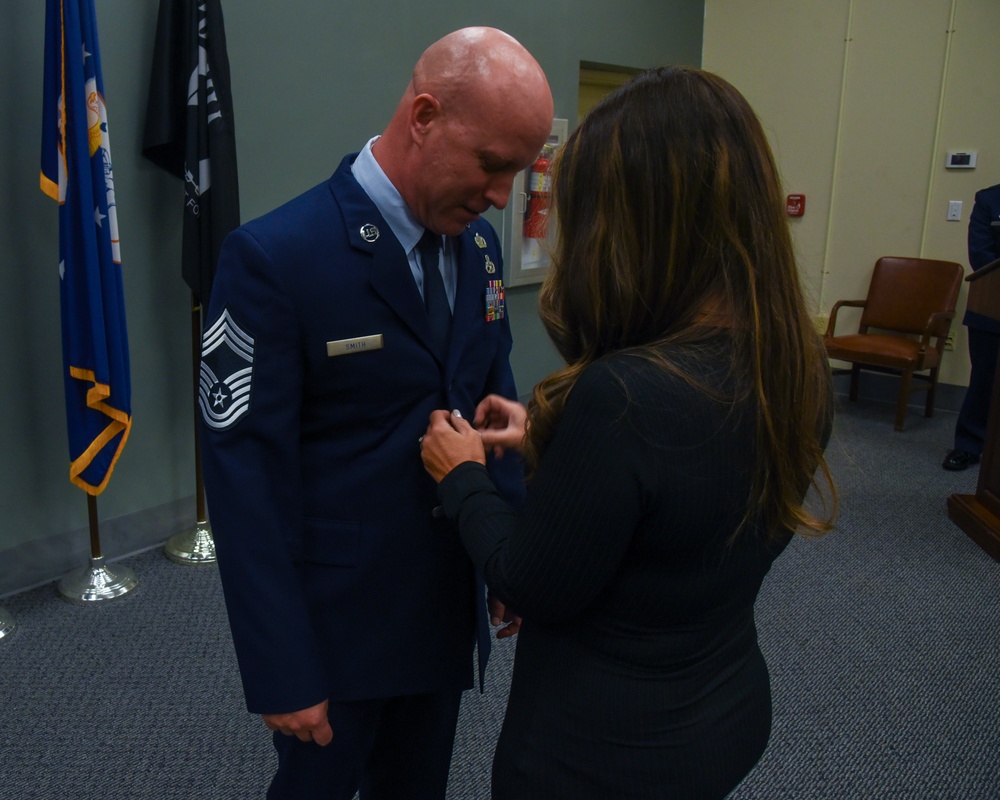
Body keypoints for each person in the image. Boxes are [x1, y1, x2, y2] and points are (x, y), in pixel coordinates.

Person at [420, 66, 837, 800]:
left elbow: (529, 580)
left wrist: (462, 476)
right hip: (723, 712)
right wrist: (558, 441)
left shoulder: (624, 398)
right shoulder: (794, 362)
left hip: (601, 757)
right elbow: (688, 488)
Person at [198, 27, 553, 800]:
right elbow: (243, 483)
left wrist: (508, 550)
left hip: (440, 611)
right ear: (423, 116)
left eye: (517, 173)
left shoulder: (479, 249)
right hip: (336, 632)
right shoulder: (277, 257)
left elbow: (493, 394)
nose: (500, 195)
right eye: (492, 165)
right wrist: (279, 665)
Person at [943, 182, 1000, 471]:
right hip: (992, 307)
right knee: (984, 380)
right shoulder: (989, 199)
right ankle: (969, 444)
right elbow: (981, 254)